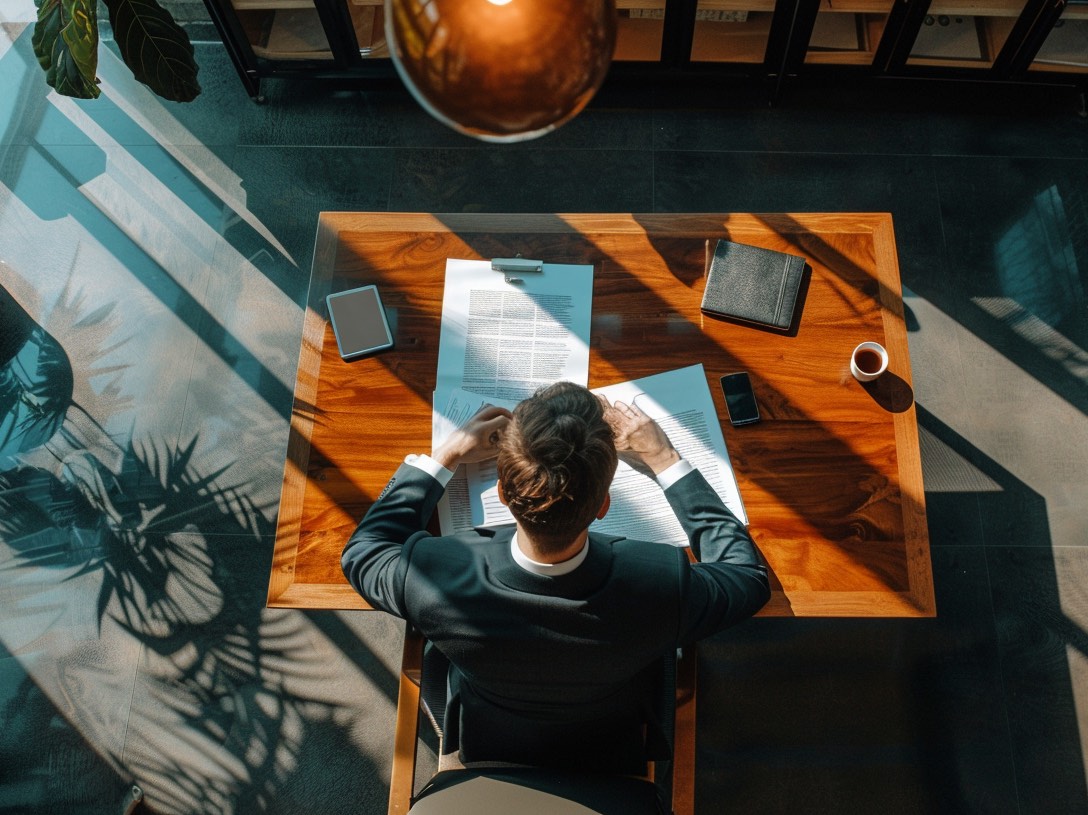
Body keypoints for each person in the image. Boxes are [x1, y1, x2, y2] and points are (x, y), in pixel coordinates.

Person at [342, 381, 769, 773]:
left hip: (489, 735)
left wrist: (445, 456)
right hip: (610, 739)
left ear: (506, 495)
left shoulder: (431, 576)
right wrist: (664, 458)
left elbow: (363, 553)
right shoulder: (660, 584)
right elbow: (746, 576)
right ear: (603, 505)